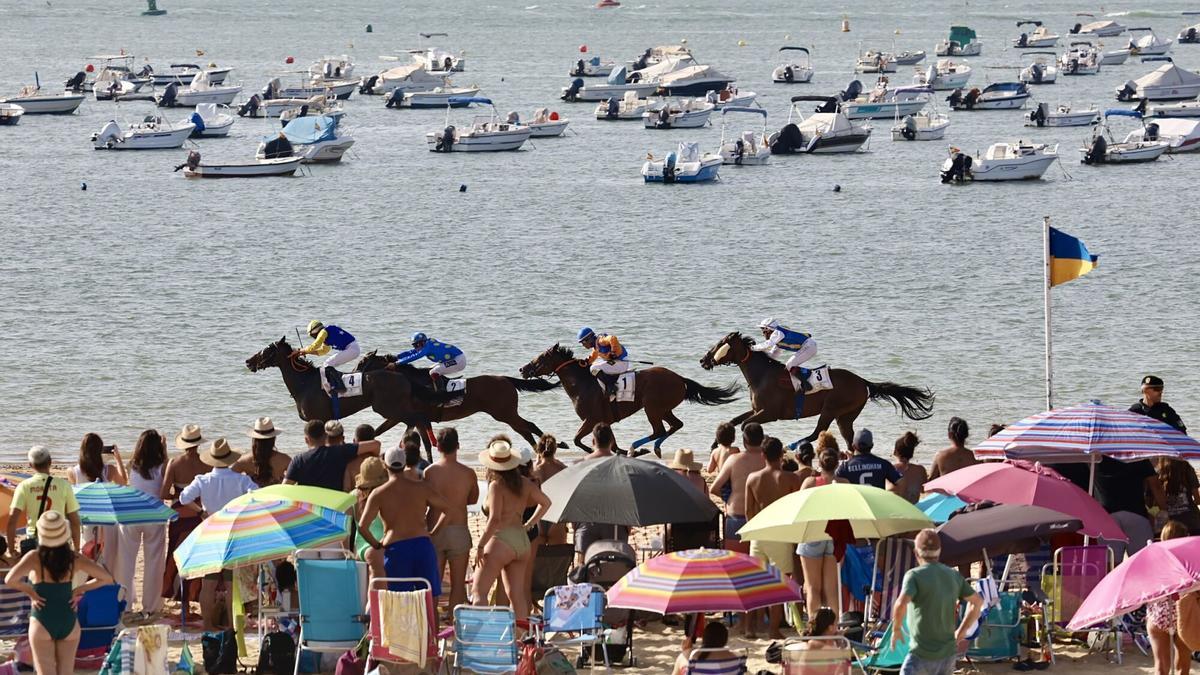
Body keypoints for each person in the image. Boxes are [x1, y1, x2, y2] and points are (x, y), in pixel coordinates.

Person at [5, 511, 114, 675]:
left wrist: (31, 593)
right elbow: (106, 578)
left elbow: (10, 579)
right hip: (68, 618)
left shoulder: (34, 557)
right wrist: (79, 590)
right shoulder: (74, 558)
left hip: (42, 618)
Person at [177, 439, 259, 631]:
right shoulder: (241, 480)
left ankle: (208, 625)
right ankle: (231, 625)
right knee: (231, 584)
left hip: (211, 531)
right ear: (229, 459)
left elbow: (183, 497)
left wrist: (200, 512)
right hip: (232, 532)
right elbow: (256, 494)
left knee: (209, 582)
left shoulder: (203, 480)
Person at [472, 437, 551, 623]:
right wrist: (530, 524)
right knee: (516, 596)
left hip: (501, 540)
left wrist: (481, 545)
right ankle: (521, 641)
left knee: (479, 592)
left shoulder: (496, 485)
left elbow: (494, 520)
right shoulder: (524, 483)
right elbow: (546, 503)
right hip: (522, 541)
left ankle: (482, 640)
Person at [357, 445, 448, 598]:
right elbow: (448, 509)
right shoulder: (421, 488)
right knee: (429, 597)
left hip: (396, 548)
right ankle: (431, 623)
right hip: (422, 544)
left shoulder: (379, 493)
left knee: (398, 601)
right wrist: (433, 532)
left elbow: (362, 527)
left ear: (385, 466)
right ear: (405, 464)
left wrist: (376, 545)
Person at [891, 529, 983, 675]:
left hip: (920, 653)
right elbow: (977, 602)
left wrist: (896, 629)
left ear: (916, 553)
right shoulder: (953, 575)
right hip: (947, 653)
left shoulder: (914, 576)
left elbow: (901, 604)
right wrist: (961, 631)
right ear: (939, 552)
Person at [746, 436, 803, 639]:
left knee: (755, 582)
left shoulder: (752, 478)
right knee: (781, 582)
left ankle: (750, 627)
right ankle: (773, 629)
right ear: (781, 455)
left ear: (762, 455)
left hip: (759, 533)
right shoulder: (791, 479)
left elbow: (748, 512)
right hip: (780, 533)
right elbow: (797, 510)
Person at [115, 430, 169, 619]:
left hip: (131, 514)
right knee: (154, 562)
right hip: (154, 515)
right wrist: (165, 450)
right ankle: (150, 606)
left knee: (126, 562)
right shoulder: (163, 465)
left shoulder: (133, 465)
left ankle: (126, 604)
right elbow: (165, 485)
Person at [423, 427, 478, 610]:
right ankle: (455, 626)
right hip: (459, 529)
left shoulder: (430, 472)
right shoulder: (468, 473)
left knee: (434, 585)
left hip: (434, 530)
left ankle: (433, 628)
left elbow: (424, 501)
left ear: (437, 447)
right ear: (458, 446)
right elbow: (473, 499)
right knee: (457, 584)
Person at [798, 434, 848, 620]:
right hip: (835, 538)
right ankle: (833, 627)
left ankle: (814, 627)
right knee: (831, 589)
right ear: (836, 464)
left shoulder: (810, 483)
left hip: (813, 534)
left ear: (819, 463)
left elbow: (799, 510)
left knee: (812, 588)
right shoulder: (844, 484)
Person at [160, 424, 210, 608]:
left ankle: (181, 601)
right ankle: (193, 595)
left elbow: (164, 493)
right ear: (198, 444)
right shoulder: (207, 463)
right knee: (196, 555)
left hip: (180, 513)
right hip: (198, 511)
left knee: (176, 554)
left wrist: (178, 494)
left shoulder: (175, 463)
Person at [6, 446, 81, 558]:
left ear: (30, 465)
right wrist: (76, 549)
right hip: (59, 541)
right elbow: (74, 521)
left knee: (34, 574)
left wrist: (12, 550)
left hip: (35, 541)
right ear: (50, 462)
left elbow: (12, 521)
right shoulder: (64, 485)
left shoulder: (24, 486)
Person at [572, 424, 630, 560]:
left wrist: (575, 524)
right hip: (615, 521)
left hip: (586, 521)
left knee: (584, 567)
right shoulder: (622, 465)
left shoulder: (579, 465)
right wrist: (628, 525)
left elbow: (574, 497)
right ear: (612, 441)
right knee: (615, 566)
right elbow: (627, 496)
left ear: (593, 442)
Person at [1095, 454, 1168, 560]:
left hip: (1106, 514)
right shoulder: (1137, 457)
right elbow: (1155, 485)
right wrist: (1164, 510)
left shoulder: (1096, 458)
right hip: (1135, 512)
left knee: (1110, 564)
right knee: (1142, 560)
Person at [710, 423, 766, 554]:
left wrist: (728, 499)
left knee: (736, 564)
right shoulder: (770, 460)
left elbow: (714, 488)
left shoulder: (734, 459)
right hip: (762, 516)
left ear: (744, 441)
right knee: (760, 567)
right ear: (762, 439)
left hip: (736, 514)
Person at [284, 419, 381, 492]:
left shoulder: (298, 460)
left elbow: (284, 488)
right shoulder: (342, 451)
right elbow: (376, 444)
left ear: (306, 439)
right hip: (334, 507)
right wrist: (375, 459)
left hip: (309, 508)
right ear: (325, 436)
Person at [1147, 520, 1192, 675]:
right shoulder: (1190, 560)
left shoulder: (1153, 559)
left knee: (1160, 666)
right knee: (1183, 667)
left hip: (1158, 616)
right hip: (1182, 613)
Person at [751, 318, 817, 390]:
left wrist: (752, 348)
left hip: (809, 346)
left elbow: (767, 344)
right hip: (808, 346)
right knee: (789, 365)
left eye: (763, 330)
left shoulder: (778, 333)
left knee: (789, 364)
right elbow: (772, 355)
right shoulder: (778, 341)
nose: (762, 333)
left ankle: (806, 384)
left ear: (768, 329)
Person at [298, 320, 360, 393]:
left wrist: (303, 350)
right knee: (327, 364)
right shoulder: (326, 334)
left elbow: (316, 345)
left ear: (315, 331)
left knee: (328, 364)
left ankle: (340, 387)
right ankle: (334, 384)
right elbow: (323, 351)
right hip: (352, 349)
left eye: (312, 335)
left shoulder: (323, 332)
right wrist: (307, 352)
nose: (314, 337)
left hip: (352, 349)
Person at [351, 457, 388, 579]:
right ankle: (376, 596)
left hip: (368, 545)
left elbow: (344, 531)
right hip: (372, 545)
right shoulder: (386, 495)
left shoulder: (354, 496)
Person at [392, 332, 465, 391]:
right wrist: (397, 357)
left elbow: (415, 356)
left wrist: (396, 363)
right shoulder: (427, 344)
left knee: (433, 372)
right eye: (415, 345)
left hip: (458, 360)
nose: (418, 346)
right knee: (429, 370)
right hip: (452, 359)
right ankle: (443, 385)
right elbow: (411, 352)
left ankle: (442, 394)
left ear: (424, 341)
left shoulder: (428, 347)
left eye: (419, 344)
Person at [531, 434, 568, 545]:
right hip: (556, 516)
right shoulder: (561, 468)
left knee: (538, 557)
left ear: (539, 450)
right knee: (558, 557)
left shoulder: (535, 469)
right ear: (555, 450)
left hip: (539, 515)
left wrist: (537, 462)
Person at [231, 417, 291, 487]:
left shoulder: (243, 461)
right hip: (276, 496)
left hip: (254, 496)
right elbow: (297, 476)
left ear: (254, 439)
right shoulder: (285, 459)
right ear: (274, 438)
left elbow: (230, 478)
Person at [836, 428, 902, 489]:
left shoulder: (845, 467)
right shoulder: (883, 464)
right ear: (872, 446)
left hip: (856, 501)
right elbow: (901, 482)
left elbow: (832, 481)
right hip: (876, 501)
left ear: (853, 446)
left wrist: (835, 458)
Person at [578, 326, 630, 400]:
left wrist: (613, 352)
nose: (583, 345)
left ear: (589, 339)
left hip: (621, 363)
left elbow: (612, 338)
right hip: (616, 363)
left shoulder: (601, 341)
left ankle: (611, 387)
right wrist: (586, 362)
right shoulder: (596, 346)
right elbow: (593, 356)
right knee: (594, 365)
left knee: (593, 368)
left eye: (583, 342)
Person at [673, 621, 737, 675]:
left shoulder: (692, 655)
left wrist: (686, 652)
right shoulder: (733, 658)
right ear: (725, 640)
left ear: (704, 638)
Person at [1159, 459, 1200, 535]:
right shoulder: (1188, 469)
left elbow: (1153, 503)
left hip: (1170, 527)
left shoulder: (1160, 473)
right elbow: (1197, 500)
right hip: (1191, 521)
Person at [891, 432, 928, 504]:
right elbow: (923, 490)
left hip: (896, 510)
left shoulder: (891, 469)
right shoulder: (921, 470)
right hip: (915, 509)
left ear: (895, 452)